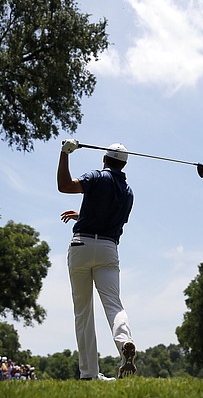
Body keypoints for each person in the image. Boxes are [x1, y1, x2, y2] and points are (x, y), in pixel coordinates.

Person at [58, 139, 137, 381]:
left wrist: (64, 154)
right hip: (108, 249)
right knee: (114, 305)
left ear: (104, 160)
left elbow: (64, 186)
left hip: (81, 246)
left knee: (83, 311)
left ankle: (89, 374)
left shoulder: (97, 176)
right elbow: (109, 217)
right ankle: (125, 342)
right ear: (123, 165)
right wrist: (83, 214)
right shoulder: (128, 192)